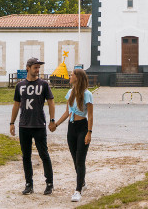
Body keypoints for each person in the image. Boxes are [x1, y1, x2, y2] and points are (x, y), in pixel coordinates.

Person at [10, 57, 55, 196]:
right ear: (28, 68)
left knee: (44, 154)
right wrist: (12, 122)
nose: (38, 70)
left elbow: (51, 103)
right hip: (24, 125)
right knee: (26, 156)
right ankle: (29, 184)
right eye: (35, 67)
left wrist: (52, 120)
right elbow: (16, 105)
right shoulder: (20, 86)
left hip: (39, 124)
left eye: (39, 67)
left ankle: (49, 183)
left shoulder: (44, 84)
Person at [50, 68, 93, 203]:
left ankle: (78, 190)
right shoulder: (70, 93)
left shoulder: (87, 94)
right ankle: (83, 182)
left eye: (72, 74)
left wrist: (89, 133)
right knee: (75, 159)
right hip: (71, 128)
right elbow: (67, 113)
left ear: (78, 77)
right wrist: (56, 124)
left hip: (82, 127)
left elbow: (90, 116)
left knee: (80, 160)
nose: (70, 76)